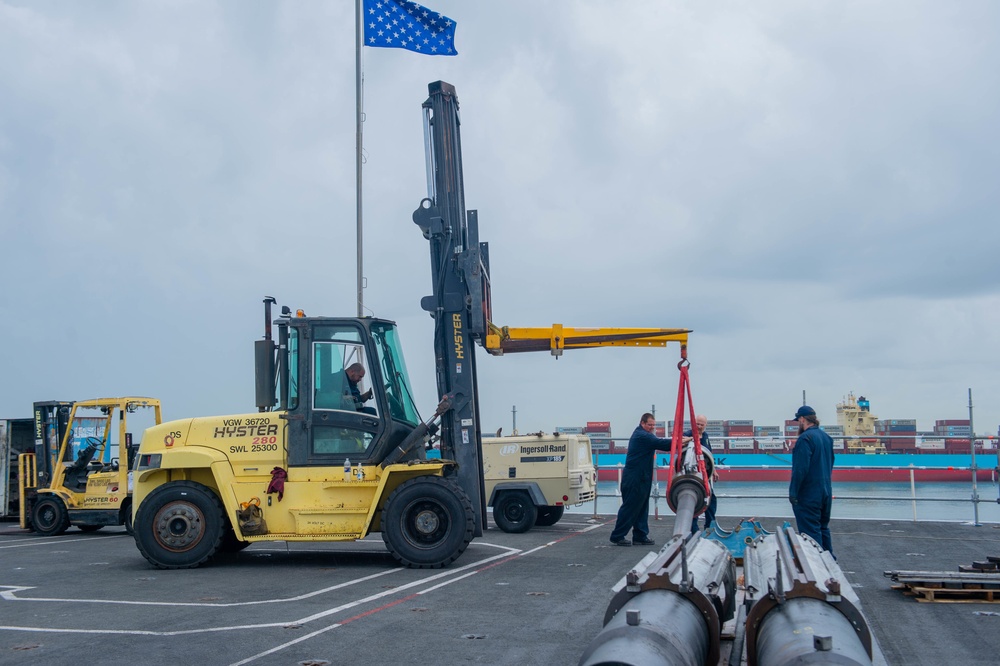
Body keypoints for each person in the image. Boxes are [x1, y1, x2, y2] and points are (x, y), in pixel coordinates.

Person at [609, 413, 691, 546]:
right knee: (630, 506)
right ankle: (617, 536)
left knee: (642, 506)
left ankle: (640, 535)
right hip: (634, 477)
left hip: (643, 477)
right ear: (642, 423)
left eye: (654, 425)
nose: (652, 427)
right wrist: (684, 440)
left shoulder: (646, 434)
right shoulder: (642, 436)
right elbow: (663, 444)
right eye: (649, 425)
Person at [789, 405, 835, 557]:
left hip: (809, 494)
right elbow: (831, 463)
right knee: (823, 528)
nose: (798, 424)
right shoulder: (827, 438)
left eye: (798, 421)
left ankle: (818, 571)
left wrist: (793, 493)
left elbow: (800, 470)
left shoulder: (805, 439)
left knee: (810, 535)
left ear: (802, 419)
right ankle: (831, 563)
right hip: (826, 492)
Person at [688, 414, 718, 534]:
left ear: (706, 425)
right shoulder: (688, 435)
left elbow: (709, 454)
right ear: (693, 423)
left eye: (702, 424)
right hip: (693, 474)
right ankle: (693, 529)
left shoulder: (705, 436)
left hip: (706, 474)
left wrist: (714, 470)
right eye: (697, 424)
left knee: (711, 500)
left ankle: (710, 526)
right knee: (695, 501)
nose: (699, 426)